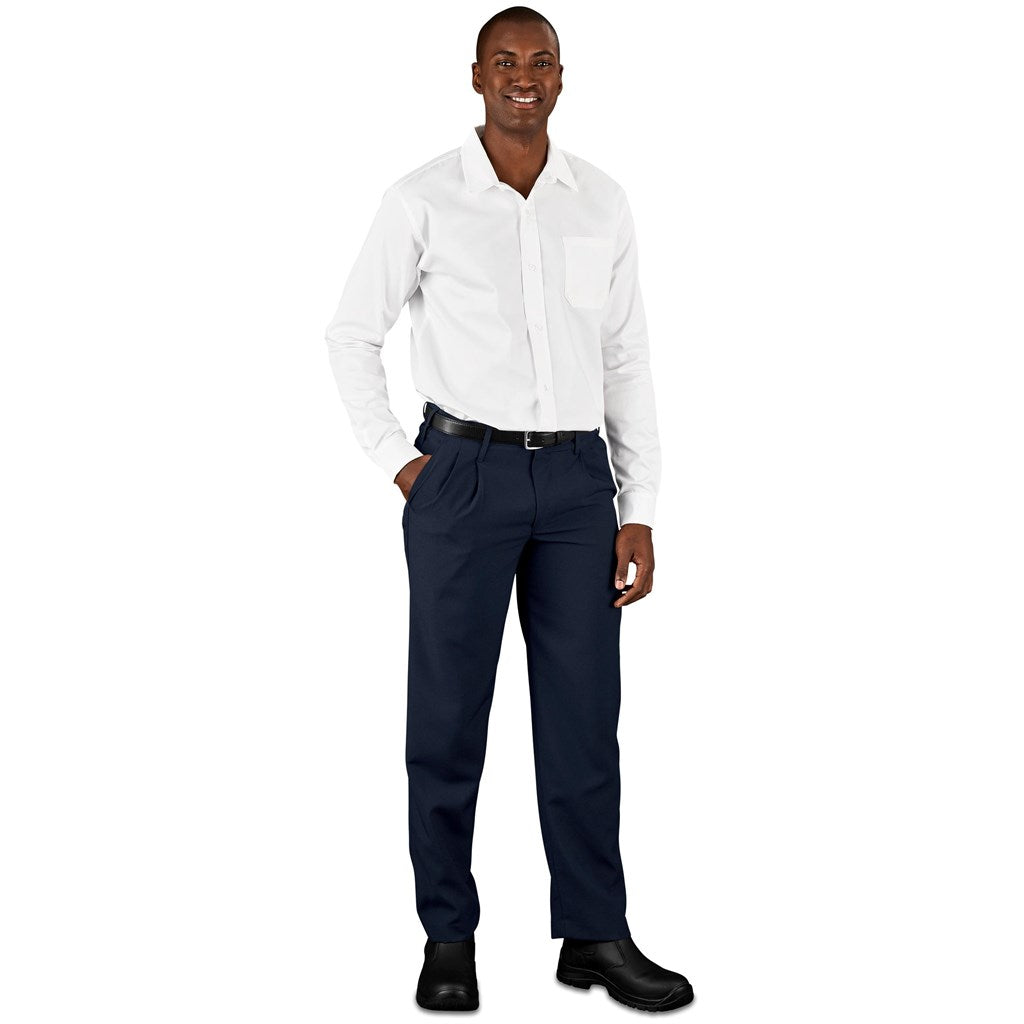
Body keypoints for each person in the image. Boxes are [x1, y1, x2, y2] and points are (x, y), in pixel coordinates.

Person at [324, 6, 694, 1014]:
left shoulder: (601, 201)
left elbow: (625, 356)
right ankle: (448, 935)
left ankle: (594, 932)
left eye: (540, 62)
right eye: (504, 61)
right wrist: (404, 464)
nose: (523, 76)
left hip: (578, 486)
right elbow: (351, 334)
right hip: (462, 476)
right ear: (477, 76)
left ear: (562, 77)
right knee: (448, 718)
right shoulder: (421, 198)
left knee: (585, 718)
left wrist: (639, 504)